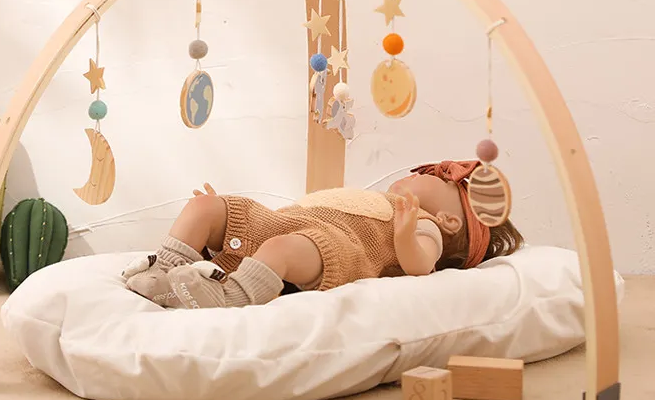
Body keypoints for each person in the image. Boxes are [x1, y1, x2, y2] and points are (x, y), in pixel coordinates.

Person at [122, 160, 524, 310]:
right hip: (286, 223)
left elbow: (420, 266)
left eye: (434, 176)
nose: (420, 172)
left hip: (335, 248)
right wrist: (224, 226)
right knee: (206, 207)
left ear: (450, 220)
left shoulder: (424, 223)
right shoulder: (380, 201)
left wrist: (405, 236)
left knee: (281, 249)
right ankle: (168, 270)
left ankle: (229, 297)